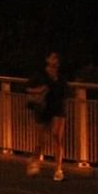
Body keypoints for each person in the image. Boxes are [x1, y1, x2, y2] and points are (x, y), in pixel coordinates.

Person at [25, 51, 69, 181]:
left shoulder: (61, 76)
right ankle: (34, 162)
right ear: (47, 60)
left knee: (57, 136)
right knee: (40, 141)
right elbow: (27, 88)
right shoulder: (40, 75)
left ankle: (58, 170)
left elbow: (65, 92)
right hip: (43, 108)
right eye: (53, 57)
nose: (55, 60)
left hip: (58, 108)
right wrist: (38, 90)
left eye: (57, 58)